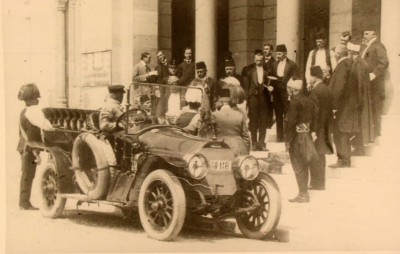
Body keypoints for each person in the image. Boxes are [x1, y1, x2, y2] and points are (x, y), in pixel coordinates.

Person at [17, 83, 54, 210]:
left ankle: (24, 202)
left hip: (26, 147)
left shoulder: (24, 112)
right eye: (36, 98)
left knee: (28, 174)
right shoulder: (32, 112)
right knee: (27, 175)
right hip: (29, 148)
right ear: (31, 99)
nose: (38, 100)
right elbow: (44, 126)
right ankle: (24, 203)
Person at [285, 79, 317, 203]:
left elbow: (291, 121)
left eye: (289, 89)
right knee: (304, 164)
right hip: (307, 135)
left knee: (298, 166)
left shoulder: (294, 102)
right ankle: (304, 193)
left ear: (293, 90)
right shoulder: (309, 100)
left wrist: (287, 139)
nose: (288, 91)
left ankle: (302, 194)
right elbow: (315, 117)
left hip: (297, 137)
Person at [328, 44, 358, 168]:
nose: (334, 54)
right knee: (342, 132)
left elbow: (339, 88)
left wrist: (334, 106)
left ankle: (343, 160)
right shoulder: (348, 64)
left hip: (342, 106)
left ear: (339, 54)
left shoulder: (342, 66)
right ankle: (343, 159)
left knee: (340, 132)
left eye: (335, 52)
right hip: (346, 105)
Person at [308, 66, 334, 190]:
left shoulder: (316, 91)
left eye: (310, 76)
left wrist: (312, 130)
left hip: (317, 128)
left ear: (314, 76)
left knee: (315, 156)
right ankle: (320, 183)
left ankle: (316, 183)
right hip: (325, 127)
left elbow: (315, 113)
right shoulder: (326, 89)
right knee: (321, 155)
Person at [360, 30, 389, 137]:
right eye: (364, 33)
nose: (364, 35)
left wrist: (374, 74)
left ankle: (377, 132)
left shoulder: (377, 45)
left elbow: (384, 62)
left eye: (367, 34)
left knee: (375, 105)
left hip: (375, 83)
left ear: (374, 34)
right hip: (367, 82)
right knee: (370, 106)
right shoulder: (367, 47)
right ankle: (371, 133)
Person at [347, 42, 375, 155]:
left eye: (349, 52)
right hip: (362, 97)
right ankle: (359, 147)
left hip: (359, 98)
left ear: (352, 52)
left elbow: (359, 83)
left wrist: (358, 100)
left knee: (358, 123)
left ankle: (359, 148)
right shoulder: (361, 62)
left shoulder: (358, 63)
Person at [244, 49, 274, 151]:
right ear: (254, 59)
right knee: (253, 121)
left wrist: (271, 89)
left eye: (260, 61)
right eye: (256, 61)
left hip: (264, 98)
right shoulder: (249, 72)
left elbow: (271, 85)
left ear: (263, 60)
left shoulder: (268, 71)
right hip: (253, 98)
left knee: (263, 121)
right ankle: (254, 143)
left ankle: (261, 143)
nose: (258, 63)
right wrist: (247, 100)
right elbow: (247, 88)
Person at [270, 44, 299, 142]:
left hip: (286, 92)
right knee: (278, 114)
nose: (278, 56)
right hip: (276, 92)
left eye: (280, 54)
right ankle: (279, 136)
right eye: (277, 54)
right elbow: (271, 76)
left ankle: (288, 135)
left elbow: (295, 77)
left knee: (287, 114)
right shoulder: (274, 64)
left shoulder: (292, 64)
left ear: (285, 53)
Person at [214, 85, 250, 156]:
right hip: (237, 146)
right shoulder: (240, 113)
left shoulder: (215, 114)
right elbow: (246, 136)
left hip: (221, 146)